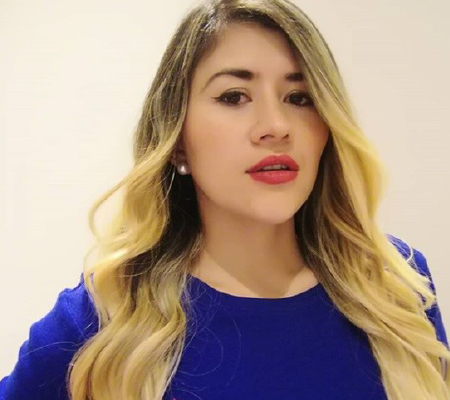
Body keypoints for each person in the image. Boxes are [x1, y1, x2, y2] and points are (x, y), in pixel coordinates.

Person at [1, 0, 449, 399]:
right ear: (177, 140)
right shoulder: (109, 315)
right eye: (234, 96)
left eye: (299, 97)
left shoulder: (396, 289)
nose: (276, 126)